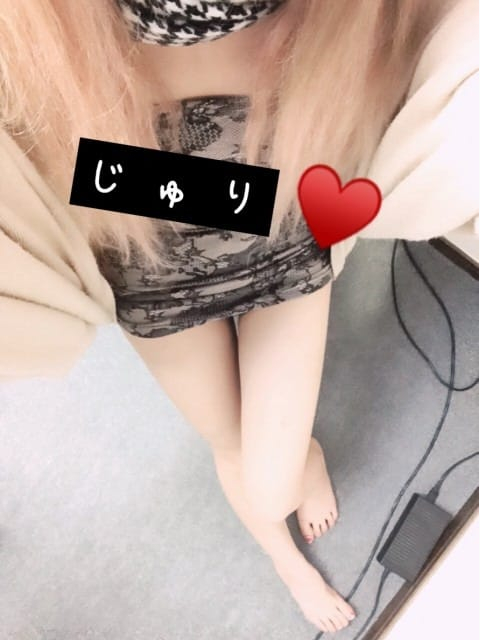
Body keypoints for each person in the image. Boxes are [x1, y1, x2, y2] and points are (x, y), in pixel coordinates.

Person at [0, 0, 478, 634]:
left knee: (273, 481)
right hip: (142, 236)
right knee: (235, 447)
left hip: (276, 206)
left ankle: (298, 458)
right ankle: (286, 560)